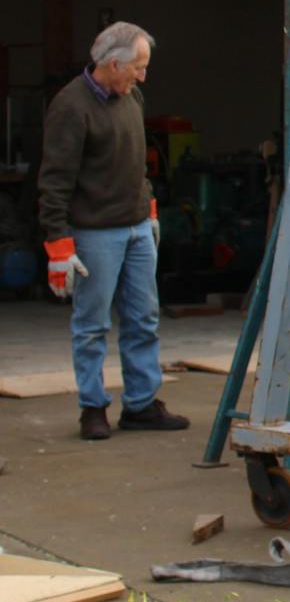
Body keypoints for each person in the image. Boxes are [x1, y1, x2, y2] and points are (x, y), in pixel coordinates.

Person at [38, 22, 188, 441]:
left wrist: (149, 210)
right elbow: (54, 181)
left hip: (137, 227)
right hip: (95, 234)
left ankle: (140, 405)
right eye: (138, 67)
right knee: (92, 325)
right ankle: (93, 408)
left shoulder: (131, 97)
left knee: (144, 319)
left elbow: (136, 163)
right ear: (113, 64)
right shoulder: (71, 107)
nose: (143, 75)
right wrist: (58, 246)